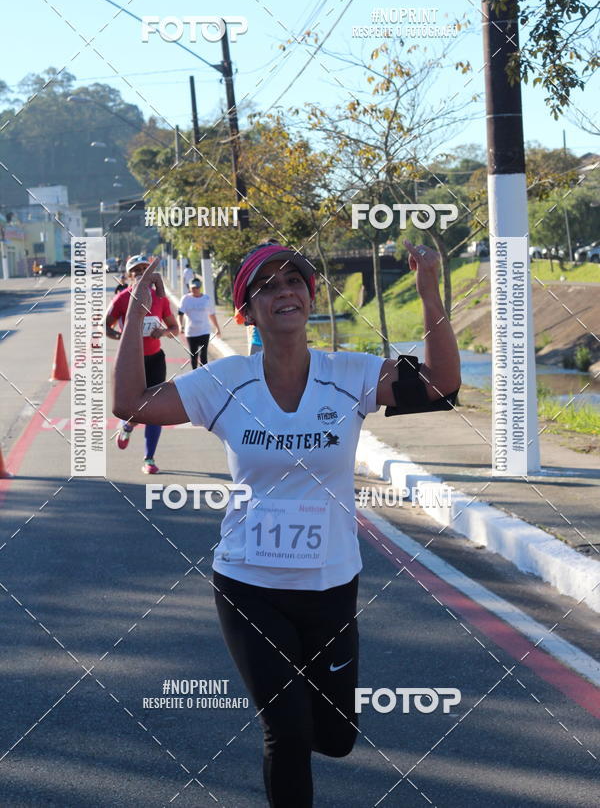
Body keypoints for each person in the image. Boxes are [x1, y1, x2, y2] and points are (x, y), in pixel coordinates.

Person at [111, 240, 460, 806]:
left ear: (310, 295)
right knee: (288, 731)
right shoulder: (225, 382)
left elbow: (441, 383)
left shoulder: (349, 374)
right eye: (267, 286)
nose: (284, 293)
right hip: (249, 584)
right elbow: (130, 402)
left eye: (293, 281)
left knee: (336, 738)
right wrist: (137, 307)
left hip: (331, 585)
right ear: (247, 311)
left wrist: (428, 290)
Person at [105, 254, 178, 474]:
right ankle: (128, 425)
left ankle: (149, 458)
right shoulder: (121, 299)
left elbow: (175, 329)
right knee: (134, 411)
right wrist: (123, 337)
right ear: (129, 275)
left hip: (155, 360)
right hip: (130, 363)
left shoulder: (161, 299)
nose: (140, 274)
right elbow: (105, 326)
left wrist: (163, 331)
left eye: (145, 269)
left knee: (155, 411)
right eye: (136, 271)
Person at [178, 278, 221, 369]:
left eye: (197, 287)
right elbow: (180, 314)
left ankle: (203, 375)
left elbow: (212, 314)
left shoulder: (206, 298)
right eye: (193, 288)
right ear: (190, 288)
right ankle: (194, 374)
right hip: (191, 332)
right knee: (193, 355)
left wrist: (217, 328)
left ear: (200, 287)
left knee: (203, 356)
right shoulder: (185, 299)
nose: (195, 289)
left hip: (204, 331)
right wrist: (180, 325)